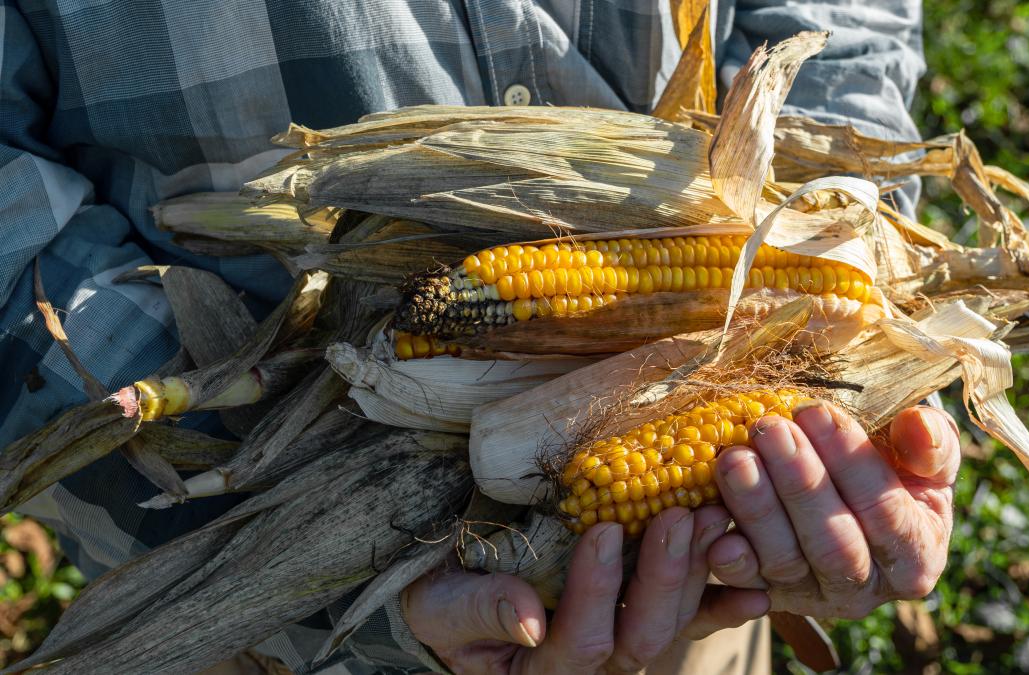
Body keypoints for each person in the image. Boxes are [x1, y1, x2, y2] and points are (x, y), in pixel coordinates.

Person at [0, 1, 955, 673]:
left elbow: (837, 24)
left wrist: (838, 255)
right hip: (286, 608)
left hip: (704, 578)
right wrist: (331, 577)